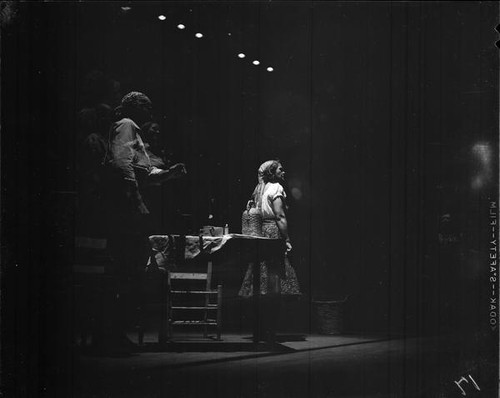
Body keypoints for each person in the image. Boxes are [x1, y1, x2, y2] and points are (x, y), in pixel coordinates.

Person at [97, 91, 186, 351]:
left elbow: (143, 172)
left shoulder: (135, 131)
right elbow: (122, 164)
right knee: (126, 268)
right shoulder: (127, 125)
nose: (149, 113)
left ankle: (113, 332)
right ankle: (110, 334)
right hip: (125, 209)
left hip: (128, 207)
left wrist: (168, 174)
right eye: (146, 107)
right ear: (135, 108)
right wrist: (135, 199)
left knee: (129, 269)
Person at [239, 160, 300, 340]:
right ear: (273, 173)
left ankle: (260, 328)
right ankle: (269, 329)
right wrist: (287, 239)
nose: (284, 171)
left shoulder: (259, 190)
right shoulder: (275, 188)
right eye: (281, 169)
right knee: (274, 283)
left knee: (261, 282)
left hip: (259, 232)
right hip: (272, 233)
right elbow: (280, 216)